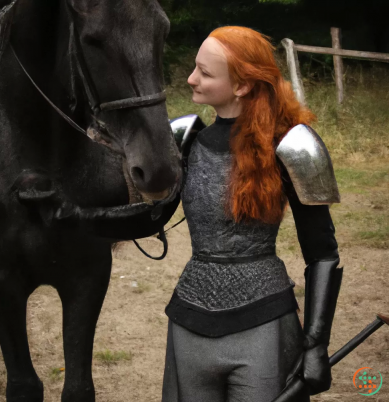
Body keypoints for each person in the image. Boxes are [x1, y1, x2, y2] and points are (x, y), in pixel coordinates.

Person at [162, 26, 343, 402]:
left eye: (205, 73)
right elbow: (144, 219)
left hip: (264, 326)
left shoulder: (294, 145)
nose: (190, 79)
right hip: (189, 320)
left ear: (242, 85)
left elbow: (323, 253)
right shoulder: (181, 138)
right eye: (195, 68)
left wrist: (315, 344)